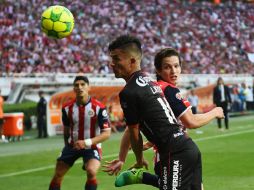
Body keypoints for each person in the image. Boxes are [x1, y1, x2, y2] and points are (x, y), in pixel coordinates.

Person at [103, 35, 224, 190]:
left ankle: (143, 176)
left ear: (132, 60)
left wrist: (137, 161)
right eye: (168, 67)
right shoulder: (151, 83)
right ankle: (144, 177)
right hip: (186, 149)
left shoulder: (134, 91)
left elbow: (134, 129)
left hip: (173, 154)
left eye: (116, 59)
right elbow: (139, 126)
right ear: (158, 70)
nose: (111, 64)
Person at [48, 76, 111, 190]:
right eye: (76, 85)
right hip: (73, 146)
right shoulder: (67, 108)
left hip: (92, 146)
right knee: (58, 175)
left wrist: (86, 142)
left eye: (83, 84)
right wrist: (67, 146)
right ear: (74, 89)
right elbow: (66, 129)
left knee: (91, 171)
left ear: (89, 87)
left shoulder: (99, 108)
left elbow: (106, 133)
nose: (79, 87)